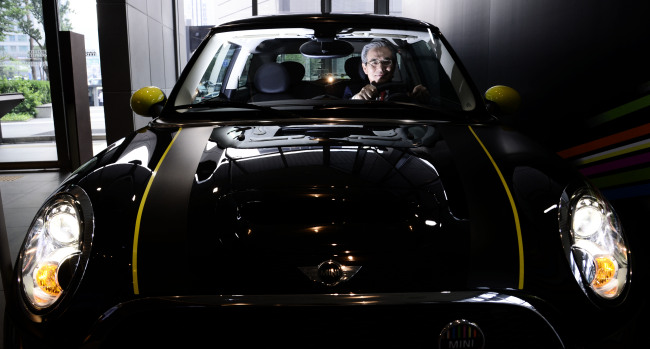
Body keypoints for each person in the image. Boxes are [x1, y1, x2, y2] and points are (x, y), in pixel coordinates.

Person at [347, 41, 428, 102]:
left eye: (386, 62)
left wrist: (420, 98)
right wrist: (356, 99)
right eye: (374, 62)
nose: (381, 68)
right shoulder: (352, 90)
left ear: (394, 66)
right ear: (365, 68)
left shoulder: (406, 91)